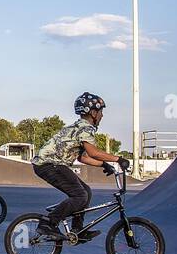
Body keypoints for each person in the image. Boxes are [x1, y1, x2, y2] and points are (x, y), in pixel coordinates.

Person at [30, 93, 130, 240]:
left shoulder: (79, 127)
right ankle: (48, 223)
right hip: (49, 164)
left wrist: (104, 164)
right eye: (101, 112)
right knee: (79, 195)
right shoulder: (85, 129)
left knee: (86, 192)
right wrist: (118, 159)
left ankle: (78, 229)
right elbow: (93, 152)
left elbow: (82, 157)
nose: (102, 115)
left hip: (52, 164)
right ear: (93, 113)